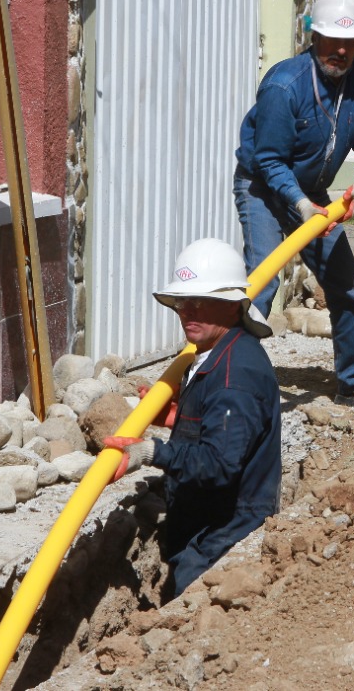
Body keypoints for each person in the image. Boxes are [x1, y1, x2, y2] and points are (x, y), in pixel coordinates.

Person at [233, 0, 354, 412]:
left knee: (346, 285)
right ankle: (230, 385)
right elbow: (269, 159)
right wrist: (299, 204)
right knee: (262, 281)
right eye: (332, 41)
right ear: (314, 37)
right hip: (262, 186)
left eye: (350, 43)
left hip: (313, 193)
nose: (341, 50)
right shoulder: (284, 85)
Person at [114, 238, 282, 598]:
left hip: (226, 531)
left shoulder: (234, 376)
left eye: (201, 301)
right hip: (206, 518)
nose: (187, 311)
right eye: (182, 301)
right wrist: (179, 420)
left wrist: (150, 452)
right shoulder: (219, 351)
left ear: (232, 304)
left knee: (190, 597)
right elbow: (228, 431)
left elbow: (220, 463)